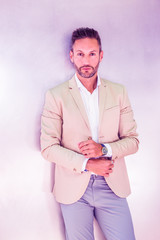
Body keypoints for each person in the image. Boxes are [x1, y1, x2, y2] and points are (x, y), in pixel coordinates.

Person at [40, 27, 139, 240]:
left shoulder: (118, 92)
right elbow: (48, 148)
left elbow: (133, 141)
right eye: (80, 54)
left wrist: (104, 149)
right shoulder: (56, 96)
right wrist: (88, 164)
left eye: (92, 54)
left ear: (100, 55)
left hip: (112, 185)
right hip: (73, 189)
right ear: (71, 56)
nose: (86, 60)